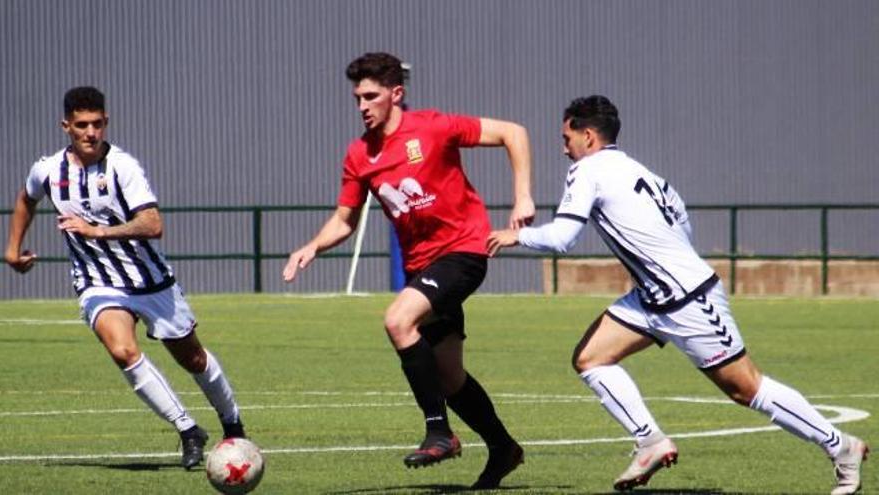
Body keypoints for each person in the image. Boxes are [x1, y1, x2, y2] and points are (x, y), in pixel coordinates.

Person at [488, 95, 869, 494]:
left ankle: (840, 446)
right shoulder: (641, 171)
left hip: (688, 300)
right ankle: (650, 442)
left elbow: (564, 238)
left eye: (566, 137)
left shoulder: (588, 170)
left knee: (747, 388)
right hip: (654, 297)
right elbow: (680, 217)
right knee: (590, 358)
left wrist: (517, 235)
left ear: (588, 136)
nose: (562, 146)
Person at [283, 52, 535, 489]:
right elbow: (345, 219)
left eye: (371, 96)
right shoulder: (359, 154)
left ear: (396, 94)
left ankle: (439, 431)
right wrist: (312, 247)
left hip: (464, 252)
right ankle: (503, 447)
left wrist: (523, 197)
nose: (362, 106)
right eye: (357, 98)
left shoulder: (434, 127)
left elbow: (514, 133)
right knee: (450, 377)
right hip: (423, 266)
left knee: (398, 320)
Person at [4, 87, 247, 470]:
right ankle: (188, 430)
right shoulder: (49, 170)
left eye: (97, 124)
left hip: (151, 281)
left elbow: (153, 224)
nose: (90, 132)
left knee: (194, 358)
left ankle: (233, 425)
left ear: (106, 123)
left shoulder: (123, 167)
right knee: (122, 350)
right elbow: (26, 197)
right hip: (97, 283)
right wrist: (12, 249)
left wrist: (97, 231)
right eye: (81, 125)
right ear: (65, 126)